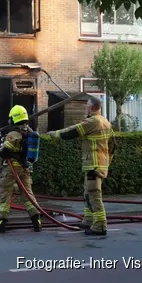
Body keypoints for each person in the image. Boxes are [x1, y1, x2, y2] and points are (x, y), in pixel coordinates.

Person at [47, 96, 115, 236]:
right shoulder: (105, 121)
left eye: (87, 106)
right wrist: (107, 161)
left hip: (94, 166)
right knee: (88, 193)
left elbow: (73, 131)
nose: (86, 108)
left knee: (94, 194)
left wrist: (55, 134)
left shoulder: (92, 121)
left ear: (91, 108)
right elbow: (114, 145)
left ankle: (100, 225)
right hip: (98, 164)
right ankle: (89, 219)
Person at [0, 105, 42, 233]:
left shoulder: (13, 134)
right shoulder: (30, 132)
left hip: (11, 170)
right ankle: (36, 220)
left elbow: (2, 152)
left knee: (5, 196)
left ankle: (1, 222)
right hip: (25, 169)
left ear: (14, 118)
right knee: (28, 195)